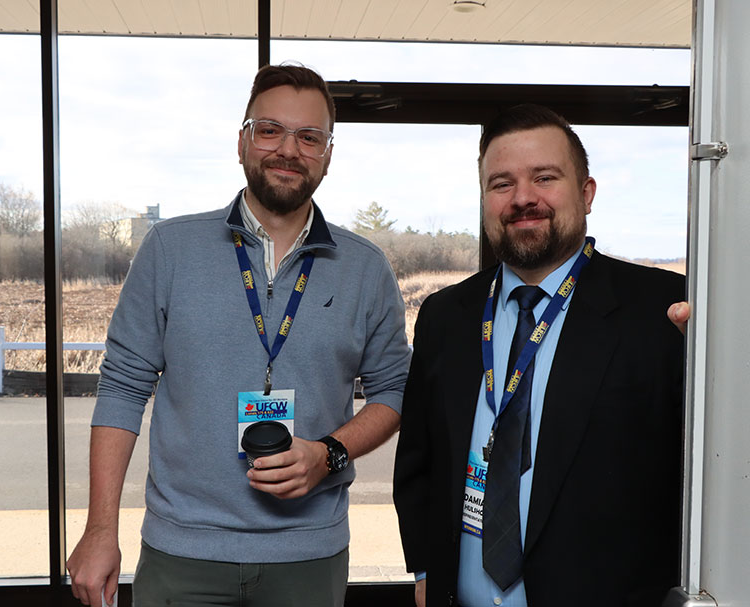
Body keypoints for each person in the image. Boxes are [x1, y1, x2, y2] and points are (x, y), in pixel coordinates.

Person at [67, 63, 411, 607]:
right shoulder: (170, 250)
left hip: (309, 555)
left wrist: (329, 454)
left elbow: (394, 391)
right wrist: (99, 529)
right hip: (182, 551)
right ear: (242, 141)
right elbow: (123, 388)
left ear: (327, 154)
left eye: (309, 136)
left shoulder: (366, 268)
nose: (288, 149)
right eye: (270, 130)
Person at [393, 103, 685, 607]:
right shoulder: (444, 316)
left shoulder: (664, 313)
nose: (523, 198)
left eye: (544, 178)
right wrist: (424, 568)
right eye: (501, 183)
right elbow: (418, 457)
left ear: (587, 193)